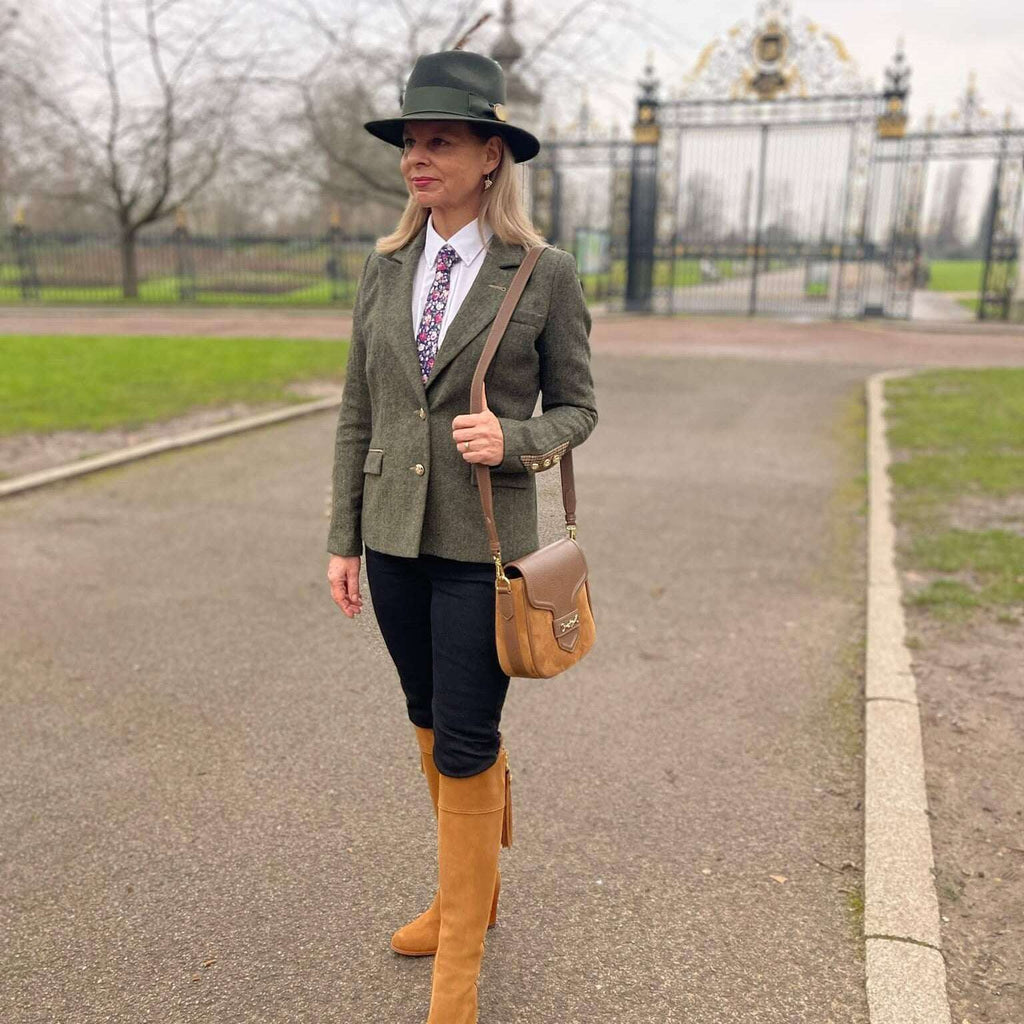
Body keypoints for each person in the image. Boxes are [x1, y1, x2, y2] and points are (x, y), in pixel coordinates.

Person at [325, 48, 597, 1023]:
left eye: (438, 140)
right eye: (409, 139)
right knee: (427, 720)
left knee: (470, 737)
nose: (416, 156)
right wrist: (343, 537)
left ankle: (457, 975)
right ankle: (462, 897)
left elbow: (578, 408)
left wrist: (512, 438)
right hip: (394, 540)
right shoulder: (386, 264)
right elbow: (358, 409)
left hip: (485, 550)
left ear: (491, 154)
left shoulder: (543, 272)